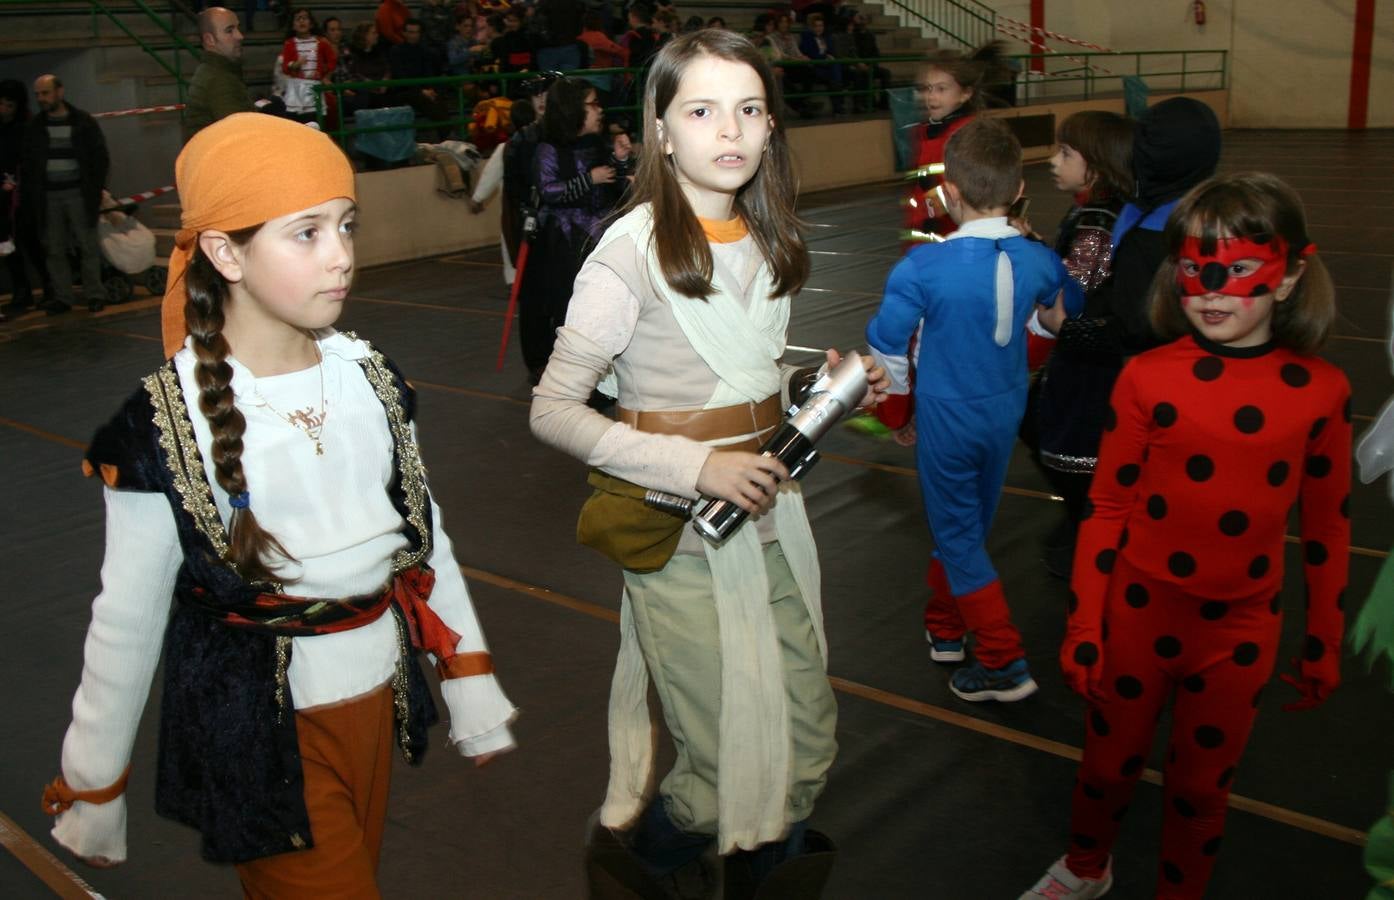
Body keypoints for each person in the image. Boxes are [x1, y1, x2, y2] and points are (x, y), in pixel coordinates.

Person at [39, 113, 517, 895]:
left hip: (371, 700)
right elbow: (124, 617)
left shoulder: (367, 378)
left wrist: (469, 685)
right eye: (307, 234)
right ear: (226, 251)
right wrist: (93, 784)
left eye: (346, 225)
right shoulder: (165, 421)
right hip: (255, 731)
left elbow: (426, 543)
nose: (342, 256)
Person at [530, 29, 887, 899]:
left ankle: (762, 861)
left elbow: (742, 380)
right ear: (660, 131)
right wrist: (696, 469)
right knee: (728, 756)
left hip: (768, 520)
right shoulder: (628, 253)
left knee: (804, 737)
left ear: (770, 129)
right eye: (701, 110)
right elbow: (553, 408)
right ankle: (638, 863)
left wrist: (825, 387)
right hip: (678, 535)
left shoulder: (767, 235)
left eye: (750, 109)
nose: (729, 130)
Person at [1023, 171, 1349, 900]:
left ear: (1291, 275)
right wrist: (1085, 622)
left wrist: (1322, 634)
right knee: (1107, 765)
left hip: (1237, 630)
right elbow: (1105, 508)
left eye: (1238, 270)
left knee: (1202, 788)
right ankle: (1085, 866)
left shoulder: (1322, 392)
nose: (1212, 289)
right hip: (1139, 613)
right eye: (1195, 270)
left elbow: (1327, 526)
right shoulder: (1145, 377)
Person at [865, 118, 1067, 702]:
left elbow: (887, 348)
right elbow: (1045, 325)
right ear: (1020, 191)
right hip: (1005, 408)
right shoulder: (1039, 259)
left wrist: (897, 415)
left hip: (949, 415)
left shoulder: (921, 268)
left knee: (957, 533)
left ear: (948, 193)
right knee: (967, 527)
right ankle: (946, 627)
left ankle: (1004, 662)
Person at [1032, 97, 1222, 582]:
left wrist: (1063, 327)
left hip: (1139, 375)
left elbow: (1128, 322)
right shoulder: (1153, 209)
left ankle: (1102, 546)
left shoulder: (1156, 229)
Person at [1022, 110, 1135, 578]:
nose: (1053, 161)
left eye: (1065, 152)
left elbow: (1076, 286)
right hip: (1086, 357)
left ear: (1098, 164)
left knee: (1061, 445)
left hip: (1088, 365)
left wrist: (1031, 259)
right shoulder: (1095, 208)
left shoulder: (1096, 217)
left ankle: (1091, 536)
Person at [515, 76, 631, 383]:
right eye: (592, 104)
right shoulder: (547, 149)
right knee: (572, 309)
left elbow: (615, 187)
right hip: (566, 241)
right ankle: (574, 377)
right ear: (572, 110)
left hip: (602, 234)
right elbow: (550, 191)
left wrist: (621, 161)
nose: (599, 110)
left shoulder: (598, 145)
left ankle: (606, 374)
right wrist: (588, 180)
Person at [21, 74, 109, 314]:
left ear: (59, 92)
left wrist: (95, 187)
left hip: (78, 193)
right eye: (37, 94)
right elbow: (28, 164)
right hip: (48, 197)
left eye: (45, 93)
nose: (41, 99)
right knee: (54, 248)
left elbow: (99, 157)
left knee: (87, 245)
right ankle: (63, 296)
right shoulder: (35, 127)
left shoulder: (82, 122)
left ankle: (94, 293)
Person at [1, 77, 49, 319]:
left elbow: (33, 163)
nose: (3, 109)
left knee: (31, 245)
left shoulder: (27, 129)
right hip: (4, 199)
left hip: (23, 198)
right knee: (9, 249)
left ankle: (49, 289)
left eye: (9, 104)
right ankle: (22, 291)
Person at [184, 7, 254, 142]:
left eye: (238, 28)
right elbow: (242, 136)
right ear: (210, 40)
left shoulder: (216, 71)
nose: (240, 36)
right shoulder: (218, 80)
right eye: (229, 30)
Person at [280, 8, 337, 121]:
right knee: (296, 120)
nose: (302, 21)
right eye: (298, 19)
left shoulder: (321, 42)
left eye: (305, 18)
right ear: (293, 25)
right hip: (296, 88)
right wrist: (295, 65)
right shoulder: (289, 44)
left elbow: (332, 60)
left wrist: (324, 74)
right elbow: (285, 66)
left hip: (314, 86)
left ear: (311, 23)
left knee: (315, 119)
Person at [798, 13, 844, 114]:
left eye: (821, 26)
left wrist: (829, 56)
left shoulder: (826, 37)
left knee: (836, 68)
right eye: (817, 26)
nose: (819, 28)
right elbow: (810, 53)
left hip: (827, 66)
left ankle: (838, 106)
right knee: (834, 73)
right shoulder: (807, 37)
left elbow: (831, 51)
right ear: (812, 27)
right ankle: (838, 105)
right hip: (815, 66)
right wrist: (824, 57)